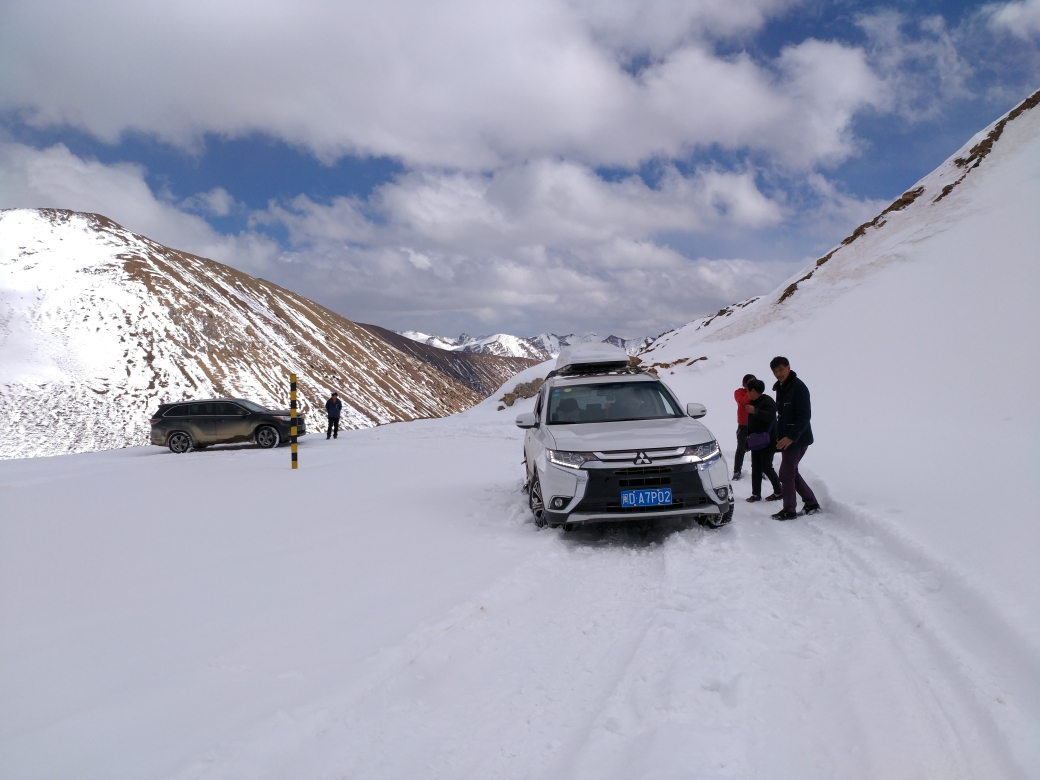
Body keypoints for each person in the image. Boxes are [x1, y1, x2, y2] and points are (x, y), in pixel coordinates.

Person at [769, 357, 820, 520]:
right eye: (775, 371)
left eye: (781, 369)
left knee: (786, 473)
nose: (778, 373)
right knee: (791, 472)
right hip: (786, 439)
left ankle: (789, 510)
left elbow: (804, 416)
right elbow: (782, 416)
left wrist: (790, 437)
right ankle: (811, 503)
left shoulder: (799, 388)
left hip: (798, 439)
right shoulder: (781, 388)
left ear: (789, 367)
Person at [743, 379, 782, 502]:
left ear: (753, 391)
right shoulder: (753, 401)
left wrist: (755, 411)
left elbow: (771, 416)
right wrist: (747, 442)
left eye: (748, 391)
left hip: (768, 440)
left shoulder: (767, 401)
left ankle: (778, 491)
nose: (747, 393)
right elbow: (751, 424)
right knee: (755, 467)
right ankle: (756, 494)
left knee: (766, 466)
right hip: (756, 440)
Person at [732, 374, 756, 480]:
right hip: (743, 426)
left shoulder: (757, 393)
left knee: (757, 449)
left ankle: (759, 471)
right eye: (750, 382)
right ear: (744, 383)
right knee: (741, 449)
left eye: (754, 382)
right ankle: (737, 471)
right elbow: (742, 402)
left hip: (756, 425)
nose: (752, 384)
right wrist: (749, 391)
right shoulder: (739, 392)